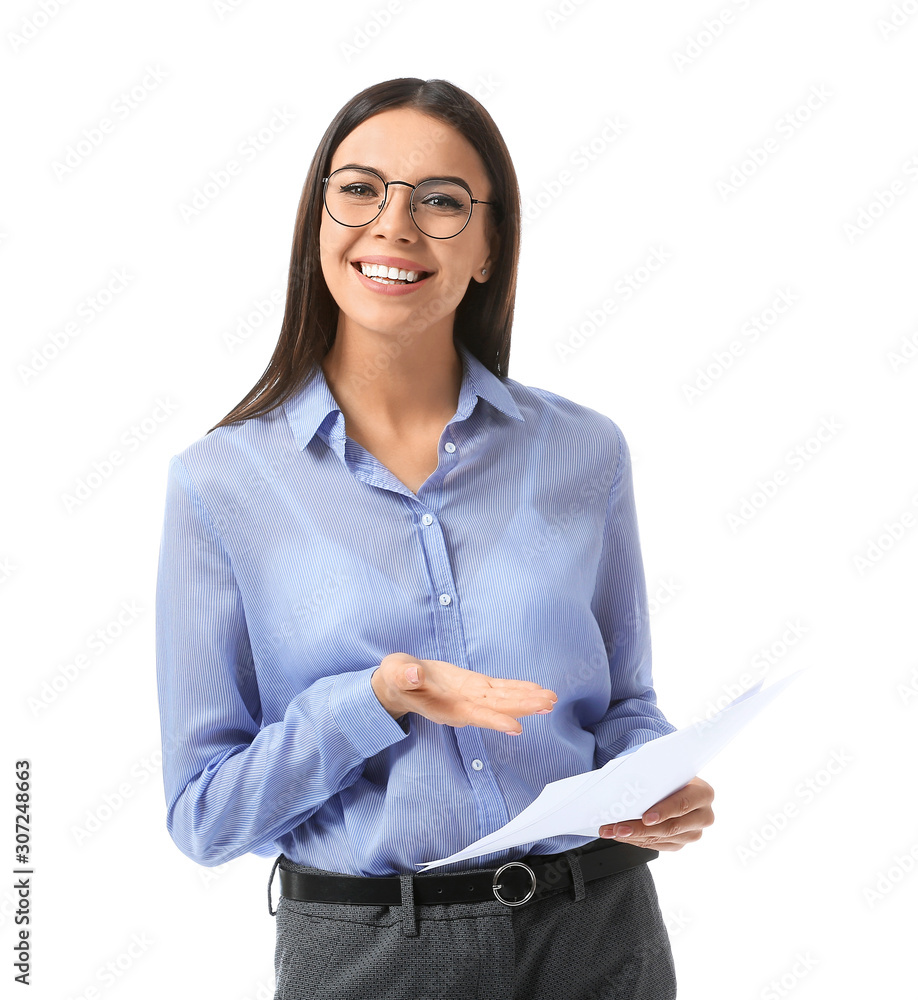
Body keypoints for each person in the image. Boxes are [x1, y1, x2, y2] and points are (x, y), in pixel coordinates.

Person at [155, 77, 715, 1000]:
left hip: (599, 935)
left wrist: (656, 781)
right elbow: (204, 816)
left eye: (443, 201)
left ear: (491, 247)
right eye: (361, 189)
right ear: (318, 219)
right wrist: (378, 697)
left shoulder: (584, 453)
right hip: (373, 955)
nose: (395, 225)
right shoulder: (220, 485)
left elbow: (624, 708)